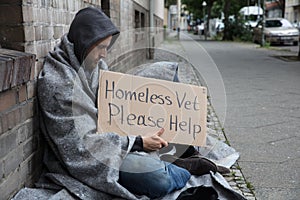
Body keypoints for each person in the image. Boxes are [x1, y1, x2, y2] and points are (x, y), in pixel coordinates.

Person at [37, 6, 227, 199]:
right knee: (158, 179)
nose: (104, 55)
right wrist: (138, 141)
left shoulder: (89, 62)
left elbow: (111, 103)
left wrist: (138, 112)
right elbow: (83, 148)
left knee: (165, 72)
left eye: (107, 47)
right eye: (101, 48)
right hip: (96, 156)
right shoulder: (59, 85)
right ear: (84, 43)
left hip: (115, 137)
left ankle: (177, 151)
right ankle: (182, 168)